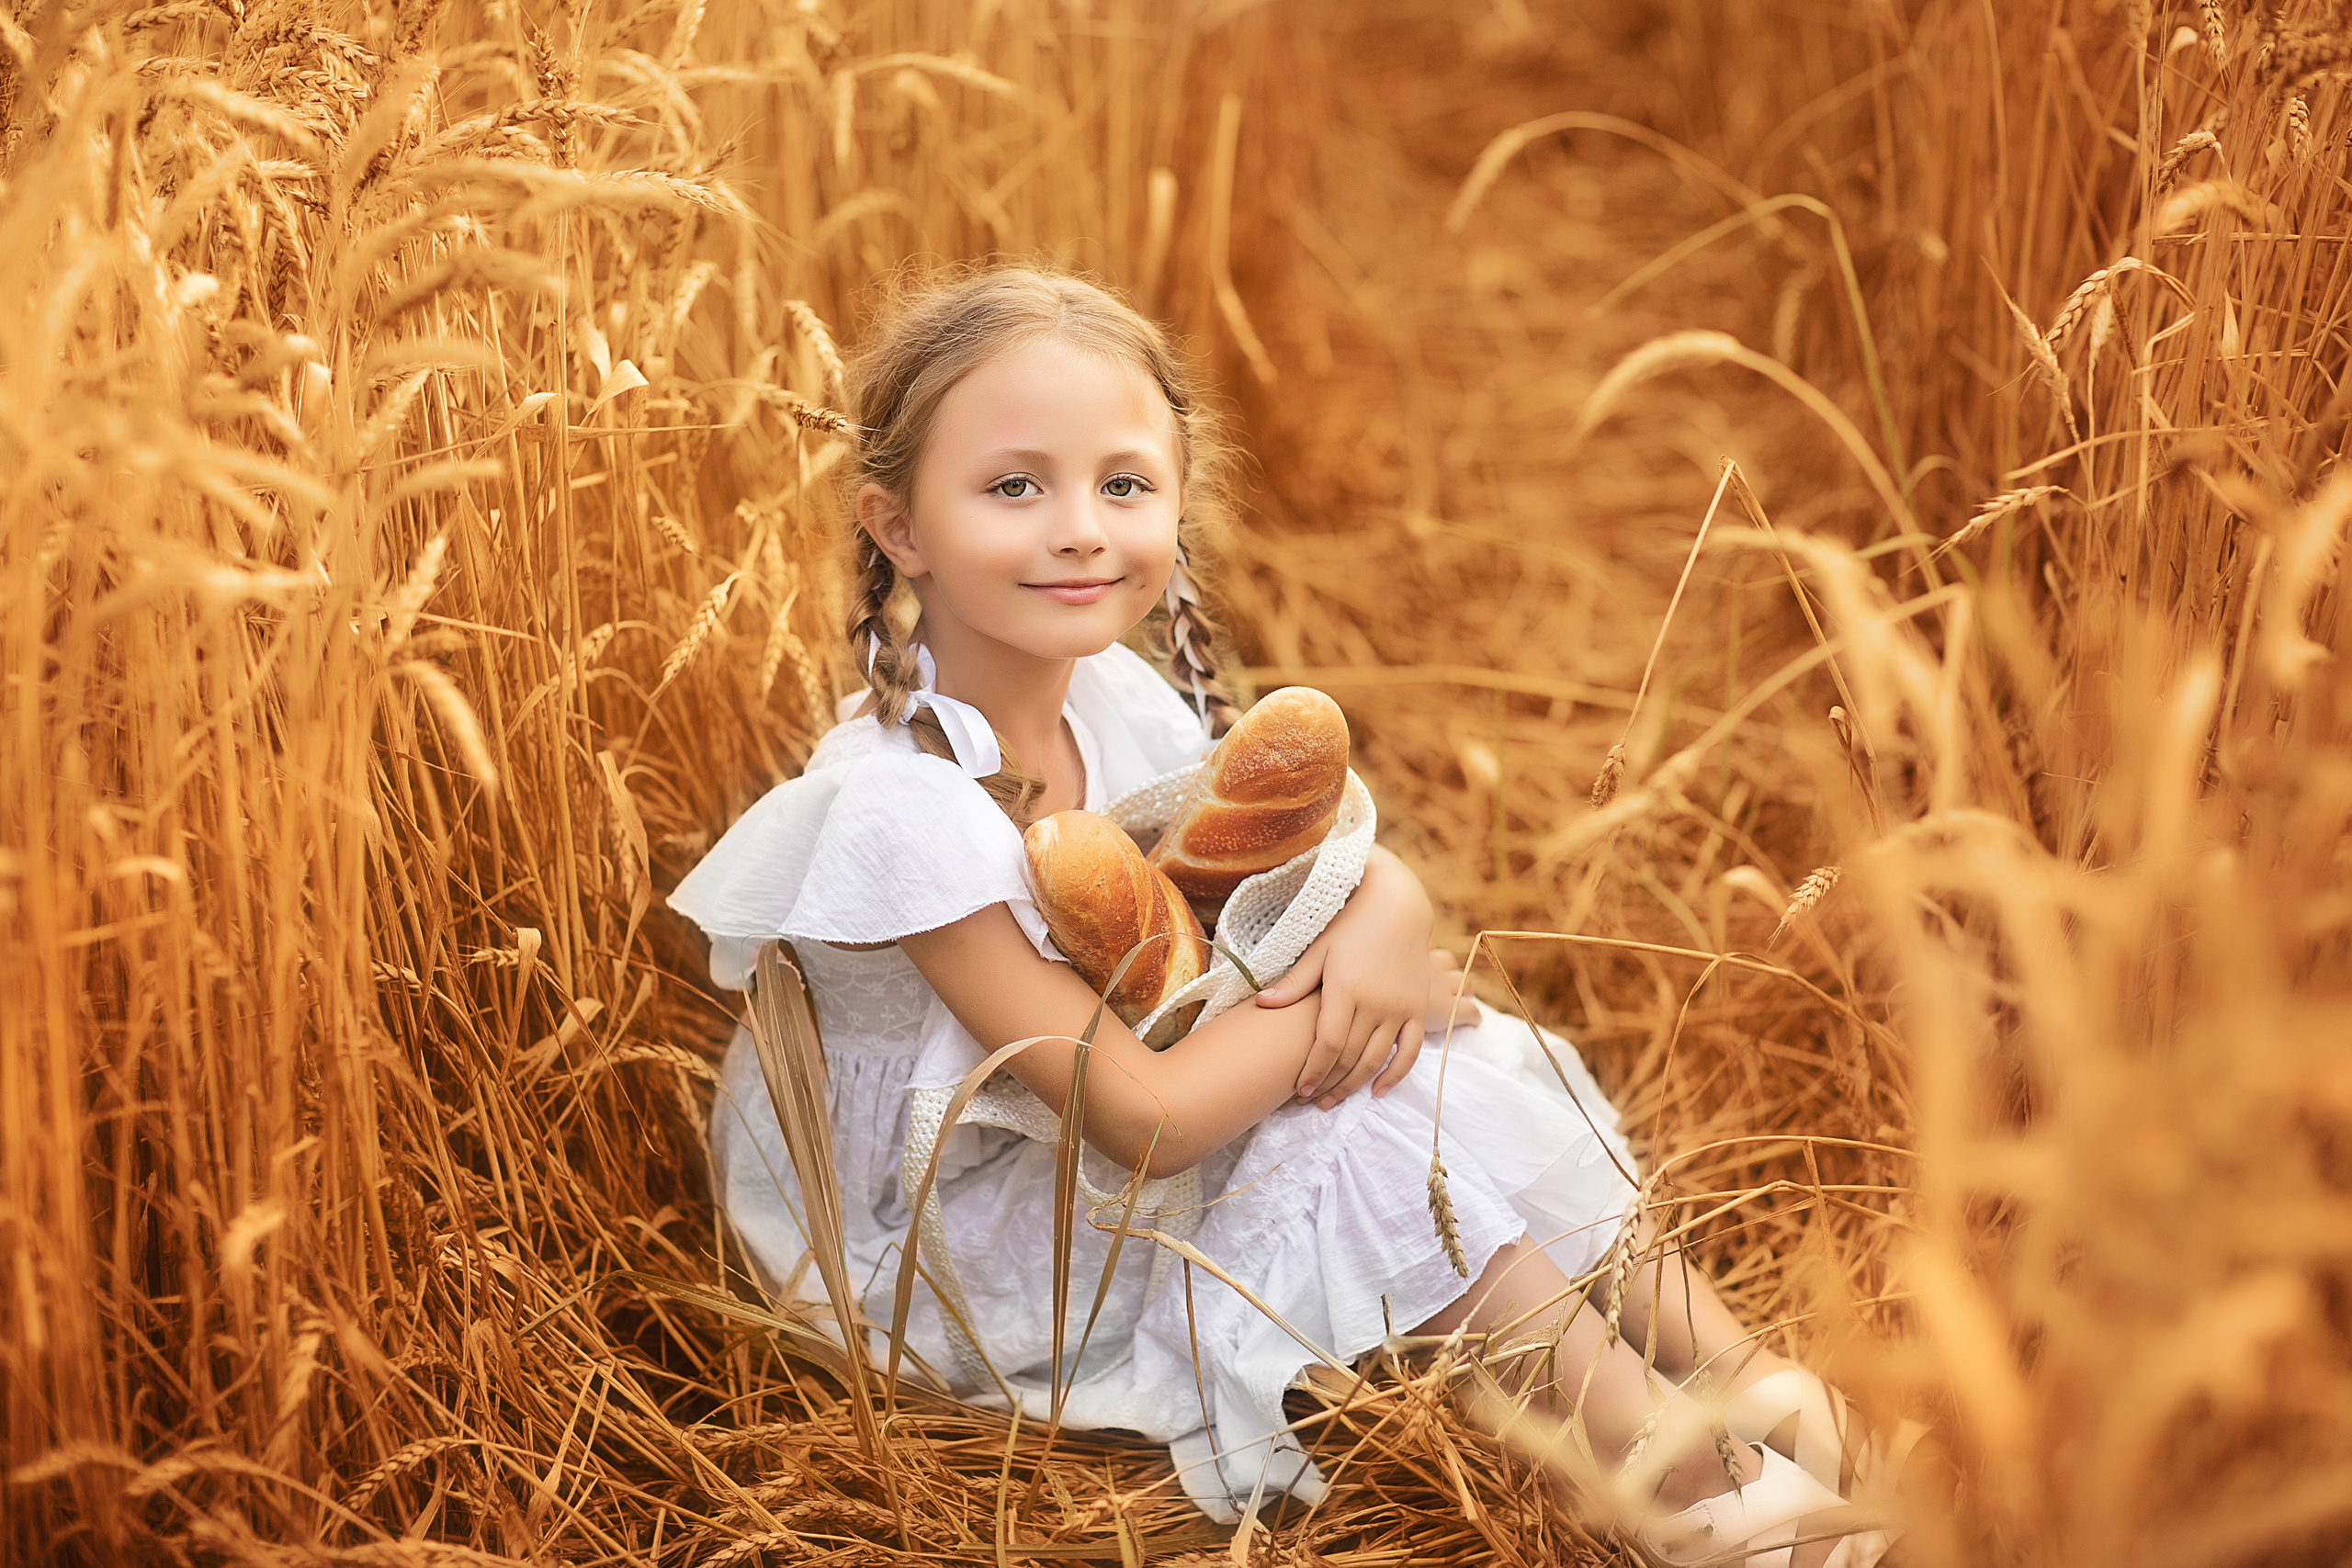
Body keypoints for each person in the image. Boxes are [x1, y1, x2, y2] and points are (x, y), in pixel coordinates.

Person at [667, 266, 1897, 1567]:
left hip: (1111, 1110)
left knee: (1448, 1060)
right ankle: (1688, 1486)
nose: (1080, 528)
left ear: (1177, 501)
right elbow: (1149, 1122)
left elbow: (1335, 869)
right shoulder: (902, 809)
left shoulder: (1115, 704)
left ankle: (1768, 1391)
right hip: (960, 1234)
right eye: (1013, 487)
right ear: (898, 525)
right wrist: (1339, 1001)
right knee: (1365, 1122)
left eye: (1124, 484)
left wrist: (1385, 928)